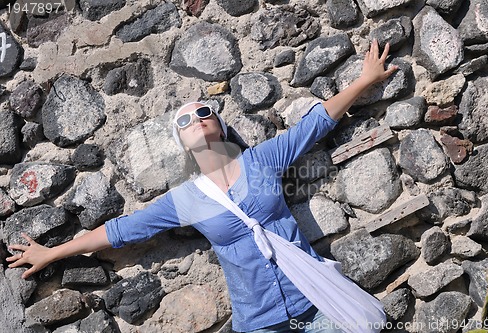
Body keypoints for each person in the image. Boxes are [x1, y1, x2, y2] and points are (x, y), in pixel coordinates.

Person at [7, 40, 398, 333]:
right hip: (261, 323)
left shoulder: (259, 161)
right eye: (184, 120)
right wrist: (52, 253)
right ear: (182, 144)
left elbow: (312, 126)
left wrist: (365, 80)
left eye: (203, 111)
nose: (196, 118)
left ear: (221, 126)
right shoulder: (187, 199)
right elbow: (119, 231)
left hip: (317, 304)